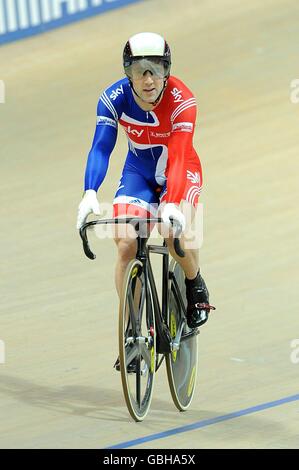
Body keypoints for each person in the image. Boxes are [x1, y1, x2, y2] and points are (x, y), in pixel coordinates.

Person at [77, 32, 214, 335]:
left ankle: (195, 283)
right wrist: (90, 191)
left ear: (168, 70)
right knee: (126, 243)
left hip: (179, 170)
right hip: (138, 172)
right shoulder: (113, 99)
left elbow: (178, 156)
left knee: (171, 231)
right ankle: (133, 331)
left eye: (157, 69)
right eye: (140, 71)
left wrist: (174, 201)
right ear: (128, 73)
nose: (149, 79)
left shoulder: (183, 100)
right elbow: (101, 148)